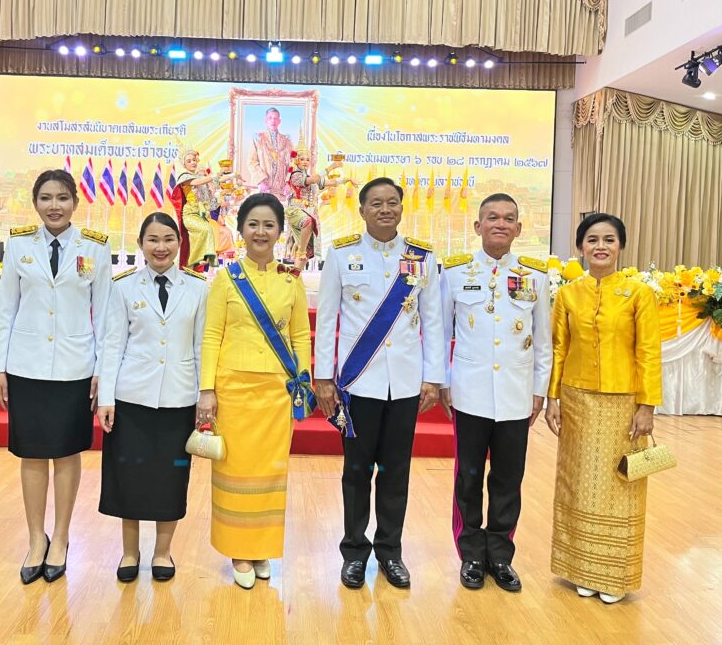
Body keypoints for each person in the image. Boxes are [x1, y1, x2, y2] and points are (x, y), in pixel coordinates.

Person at [314, 177, 445, 590]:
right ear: (362, 210)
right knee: (356, 472)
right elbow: (327, 319)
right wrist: (323, 377)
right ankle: (354, 552)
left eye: (392, 202)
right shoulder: (342, 254)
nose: (385, 209)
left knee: (395, 472)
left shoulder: (422, 256)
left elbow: (433, 320)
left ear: (402, 208)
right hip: (359, 385)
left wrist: (433, 378)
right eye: (376, 203)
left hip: (404, 384)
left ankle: (390, 552)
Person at [0, 169, 112, 585]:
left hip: (75, 367)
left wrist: (101, 369)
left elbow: (106, 315)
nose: (54, 206)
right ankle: (34, 539)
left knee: (65, 452)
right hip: (26, 366)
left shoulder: (95, 247)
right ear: (35, 202)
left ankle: (60, 537)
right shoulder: (19, 244)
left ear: (75, 202)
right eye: (46, 198)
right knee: (31, 453)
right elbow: (6, 309)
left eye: (62, 197)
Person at [545, 213, 661, 604]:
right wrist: (552, 398)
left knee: (620, 484)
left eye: (609, 240)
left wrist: (647, 406)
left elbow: (648, 352)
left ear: (620, 246)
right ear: (580, 247)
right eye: (592, 239)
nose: (600, 246)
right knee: (578, 483)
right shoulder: (568, 294)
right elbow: (558, 348)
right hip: (577, 400)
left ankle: (613, 574)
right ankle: (581, 568)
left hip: (623, 404)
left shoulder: (639, 294)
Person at [439, 193, 552, 593]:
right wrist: (444, 382)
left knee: (508, 479)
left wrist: (539, 389)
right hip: (469, 392)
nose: (500, 224)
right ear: (478, 226)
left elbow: (543, 340)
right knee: (468, 478)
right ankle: (471, 554)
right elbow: (441, 333)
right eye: (492, 217)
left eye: (508, 218)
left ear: (519, 229)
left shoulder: (535, 276)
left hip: (516, 394)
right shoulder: (455, 272)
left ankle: (500, 555)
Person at [199, 193, 310, 589]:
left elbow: (300, 335)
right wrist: (207, 389)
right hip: (234, 391)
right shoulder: (226, 279)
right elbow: (212, 335)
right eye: (253, 224)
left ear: (280, 232)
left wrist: (303, 382)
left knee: (270, 473)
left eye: (269, 225)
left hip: (276, 393)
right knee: (235, 470)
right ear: (241, 229)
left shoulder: (291, 280)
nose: (261, 232)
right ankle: (238, 550)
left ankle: (261, 548)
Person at [96, 212, 208, 583]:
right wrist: (106, 398)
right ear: (141, 244)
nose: (161, 247)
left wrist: (202, 397)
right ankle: (130, 552)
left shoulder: (198, 288)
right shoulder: (124, 286)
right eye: (153, 240)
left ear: (180, 243)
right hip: (132, 398)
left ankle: (163, 552)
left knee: (170, 478)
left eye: (168, 239)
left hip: (178, 398)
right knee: (127, 475)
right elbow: (112, 344)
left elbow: (200, 347)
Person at [284, 144, 350, 271]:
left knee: (307, 247)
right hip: (297, 211)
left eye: (307, 160)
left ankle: (297, 274)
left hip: (310, 212)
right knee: (299, 244)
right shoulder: (295, 175)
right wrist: (331, 167)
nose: (305, 162)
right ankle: (294, 267)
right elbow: (314, 180)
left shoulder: (310, 176)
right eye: (302, 159)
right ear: (297, 160)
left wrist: (347, 179)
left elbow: (328, 182)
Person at [168, 148, 221, 270]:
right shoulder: (185, 177)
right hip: (189, 215)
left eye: (194, 160)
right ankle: (202, 258)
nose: (192, 162)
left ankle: (194, 264)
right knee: (206, 229)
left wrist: (228, 174)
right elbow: (201, 181)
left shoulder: (197, 177)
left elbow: (213, 182)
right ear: (184, 164)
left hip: (199, 214)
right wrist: (215, 175)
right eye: (189, 161)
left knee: (205, 233)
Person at [248, 108, 294, 201]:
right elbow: (251, 161)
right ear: (265, 120)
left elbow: (292, 163)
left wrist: (289, 183)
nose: (273, 120)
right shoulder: (258, 138)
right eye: (270, 118)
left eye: (275, 118)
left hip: (282, 190)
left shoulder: (286, 140)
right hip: (264, 189)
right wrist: (261, 181)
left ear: (279, 121)